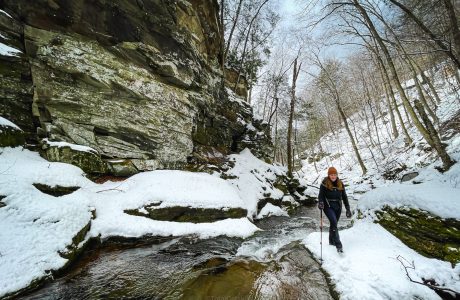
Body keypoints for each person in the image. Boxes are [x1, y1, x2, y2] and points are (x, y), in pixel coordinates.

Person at [318, 167, 351, 253]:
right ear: (328, 175)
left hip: (338, 206)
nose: (333, 176)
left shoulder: (340, 184)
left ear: (337, 175)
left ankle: (331, 241)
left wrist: (348, 209)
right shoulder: (324, 183)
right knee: (334, 222)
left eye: (334, 174)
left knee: (333, 224)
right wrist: (321, 202)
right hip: (328, 206)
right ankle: (338, 245)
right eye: (331, 175)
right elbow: (320, 196)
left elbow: (344, 197)